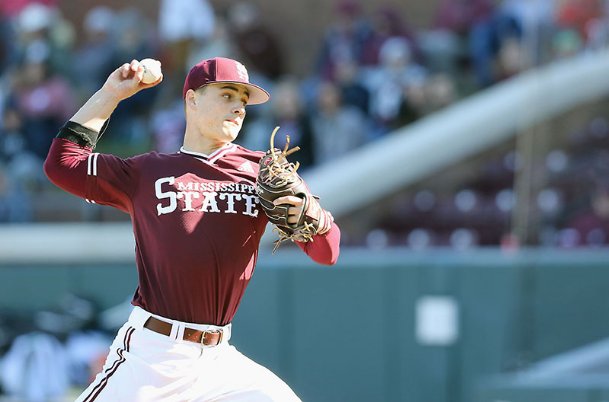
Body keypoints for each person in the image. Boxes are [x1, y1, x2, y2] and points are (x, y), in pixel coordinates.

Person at [43, 56, 341, 401]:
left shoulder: (262, 171)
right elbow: (62, 164)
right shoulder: (148, 172)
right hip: (154, 355)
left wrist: (315, 216)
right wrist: (112, 94)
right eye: (227, 95)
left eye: (243, 101)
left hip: (219, 360)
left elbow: (328, 253)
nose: (239, 107)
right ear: (192, 99)